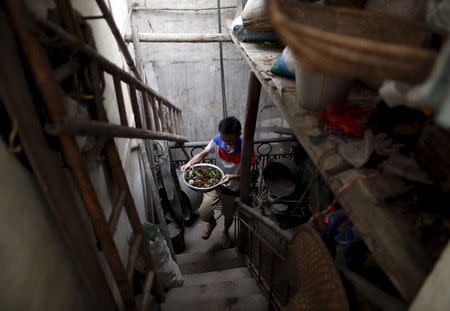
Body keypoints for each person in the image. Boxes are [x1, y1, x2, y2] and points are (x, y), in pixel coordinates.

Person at [180, 116, 255, 248]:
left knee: (229, 215)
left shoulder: (246, 147)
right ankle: (211, 223)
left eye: (230, 141)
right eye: (224, 140)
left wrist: (231, 176)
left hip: (232, 187)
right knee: (204, 212)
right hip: (216, 184)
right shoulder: (217, 140)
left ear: (239, 135)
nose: (226, 144)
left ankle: (225, 232)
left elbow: (247, 172)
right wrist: (189, 163)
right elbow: (203, 154)